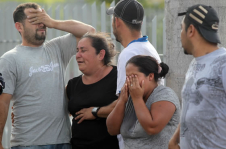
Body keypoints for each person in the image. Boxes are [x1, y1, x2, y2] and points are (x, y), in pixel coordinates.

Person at [0, 2, 95, 149]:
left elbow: (90, 32)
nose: (41, 24)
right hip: (28, 143)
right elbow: (3, 103)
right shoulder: (10, 59)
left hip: (63, 141)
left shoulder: (56, 48)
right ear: (19, 26)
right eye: (34, 20)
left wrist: (53, 22)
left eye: (42, 18)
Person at [169, 4, 226, 149]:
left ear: (191, 30)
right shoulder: (194, 63)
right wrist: (175, 139)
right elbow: (190, 108)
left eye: (182, 28)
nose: (180, 34)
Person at [106, 1, 163, 147]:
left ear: (117, 21)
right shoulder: (149, 48)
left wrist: (94, 111)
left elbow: (124, 102)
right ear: (141, 22)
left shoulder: (128, 54)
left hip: (135, 140)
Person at [107, 55, 180, 149]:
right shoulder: (131, 97)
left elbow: (152, 128)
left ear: (150, 76)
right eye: (127, 77)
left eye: (133, 76)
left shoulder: (165, 95)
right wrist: (122, 101)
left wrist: (137, 99)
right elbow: (112, 130)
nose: (129, 81)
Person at [66, 33, 119, 149]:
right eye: (77, 50)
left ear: (100, 54)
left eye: (83, 50)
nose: (77, 55)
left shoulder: (118, 77)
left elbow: (125, 106)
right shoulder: (72, 84)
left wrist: (96, 112)